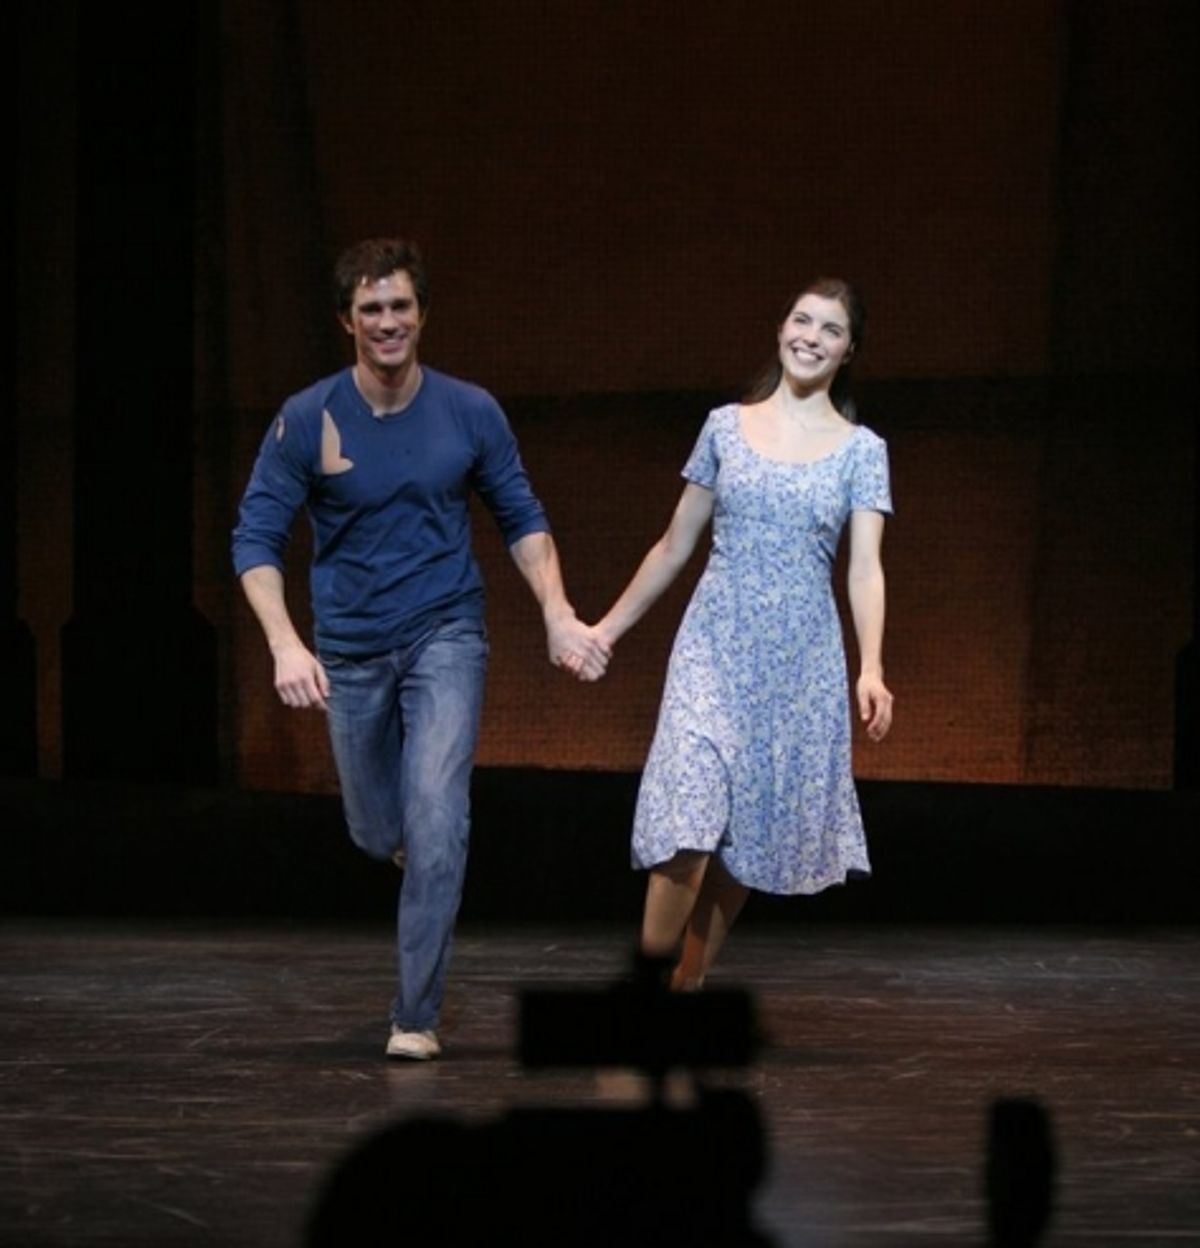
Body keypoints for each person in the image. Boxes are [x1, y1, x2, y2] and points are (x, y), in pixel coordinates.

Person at [232, 237, 609, 1060]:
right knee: (377, 831)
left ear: (422, 314)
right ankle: (405, 841)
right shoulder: (309, 416)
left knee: (439, 815)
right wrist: (286, 645)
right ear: (348, 321)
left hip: (446, 631)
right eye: (371, 309)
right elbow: (255, 540)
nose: (388, 321)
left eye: (400, 306)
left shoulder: (470, 411)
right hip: (351, 648)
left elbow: (523, 518)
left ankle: (414, 1015)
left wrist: (555, 611)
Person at [586, 277, 893, 990]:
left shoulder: (861, 450)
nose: (810, 337)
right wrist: (606, 629)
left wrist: (871, 666)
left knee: (747, 840)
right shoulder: (726, 426)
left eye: (831, 329)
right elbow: (673, 544)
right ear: (780, 326)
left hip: (799, 663)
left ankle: (685, 985)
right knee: (687, 823)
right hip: (713, 650)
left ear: (849, 351)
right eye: (801, 319)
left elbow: (866, 569)